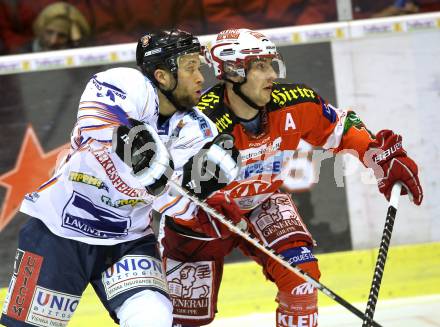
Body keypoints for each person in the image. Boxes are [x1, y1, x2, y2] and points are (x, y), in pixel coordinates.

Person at [155, 28, 423, 327]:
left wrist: (380, 158)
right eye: (260, 66)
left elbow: (342, 128)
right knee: (183, 319)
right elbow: (165, 185)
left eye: (271, 65)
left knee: (302, 279)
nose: (271, 75)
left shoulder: (295, 101)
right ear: (232, 71)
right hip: (201, 221)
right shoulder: (196, 123)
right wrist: (199, 207)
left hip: (261, 202)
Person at [0, 29, 240, 327]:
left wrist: (196, 190)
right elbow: (93, 120)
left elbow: (170, 202)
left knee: (153, 319)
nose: (201, 78)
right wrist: (131, 138)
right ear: (163, 76)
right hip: (57, 231)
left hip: (127, 241)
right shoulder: (128, 83)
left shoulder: (197, 130)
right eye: (190, 67)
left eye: (199, 68)